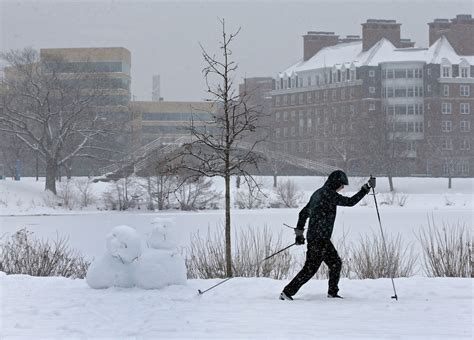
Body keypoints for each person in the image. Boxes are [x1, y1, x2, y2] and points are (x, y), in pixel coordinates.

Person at [280, 170, 375, 300]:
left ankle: (332, 293)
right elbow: (350, 202)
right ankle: (287, 292)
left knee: (335, 263)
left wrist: (299, 234)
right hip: (319, 239)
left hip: (318, 238)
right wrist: (366, 188)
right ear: (336, 183)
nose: (342, 188)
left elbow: (303, 214)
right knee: (310, 269)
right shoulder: (329, 194)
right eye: (341, 185)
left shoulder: (318, 194)